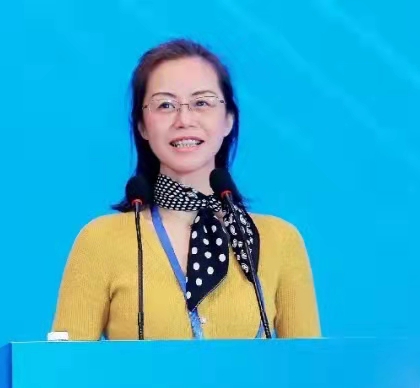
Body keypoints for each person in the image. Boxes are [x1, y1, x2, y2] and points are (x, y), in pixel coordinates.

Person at [51, 38, 321, 340]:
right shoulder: (100, 242)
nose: (184, 120)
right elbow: (62, 367)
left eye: (202, 103)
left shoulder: (281, 241)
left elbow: (311, 366)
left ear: (228, 120)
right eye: (165, 105)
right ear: (142, 126)